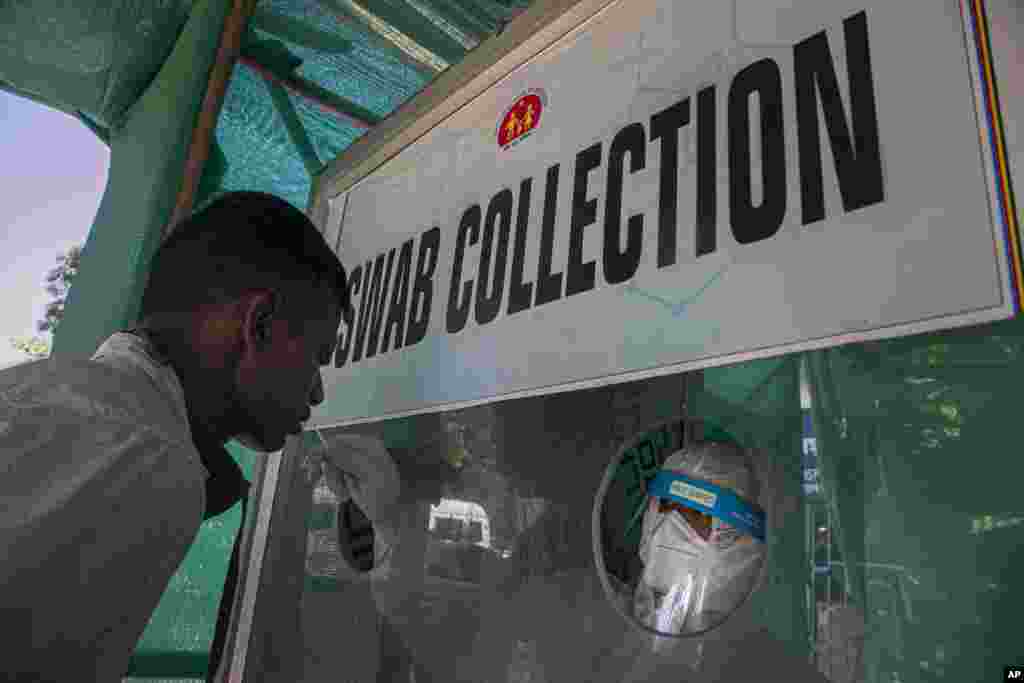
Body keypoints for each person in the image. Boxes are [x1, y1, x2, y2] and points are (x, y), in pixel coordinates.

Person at [0, 191, 352, 682]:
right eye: (317, 353)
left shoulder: (45, 394)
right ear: (261, 325)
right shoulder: (152, 455)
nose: (316, 390)